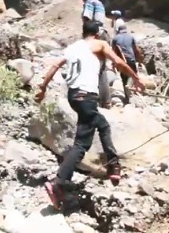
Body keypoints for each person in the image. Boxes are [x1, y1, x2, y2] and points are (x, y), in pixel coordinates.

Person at [35, 20, 146, 210]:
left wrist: (43, 88)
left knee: (102, 125)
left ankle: (113, 165)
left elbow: (54, 65)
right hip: (86, 96)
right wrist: (136, 78)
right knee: (81, 144)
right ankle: (59, 184)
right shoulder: (100, 44)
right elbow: (118, 62)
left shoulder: (72, 48)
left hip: (74, 96)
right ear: (97, 33)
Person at [111, 21, 144, 103]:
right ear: (126, 30)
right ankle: (133, 92)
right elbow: (137, 50)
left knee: (124, 78)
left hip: (121, 61)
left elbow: (113, 52)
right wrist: (140, 61)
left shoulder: (115, 38)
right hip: (131, 60)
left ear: (118, 30)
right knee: (134, 76)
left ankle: (127, 97)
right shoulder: (131, 37)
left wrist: (114, 64)